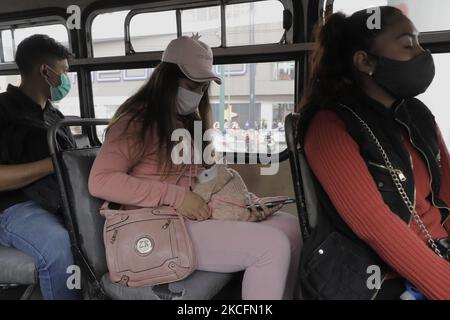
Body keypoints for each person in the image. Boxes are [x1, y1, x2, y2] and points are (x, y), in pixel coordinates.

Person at [88, 35, 301, 300]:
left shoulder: (188, 122)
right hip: (156, 227)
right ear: (166, 80)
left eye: (202, 88)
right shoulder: (135, 122)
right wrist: (175, 196)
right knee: (272, 246)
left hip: (191, 218)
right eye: (192, 85)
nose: (198, 94)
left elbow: (204, 176)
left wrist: (244, 203)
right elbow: (101, 181)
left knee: (290, 227)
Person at [299, 7, 450, 299]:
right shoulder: (330, 124)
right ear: (364, 61)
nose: (421, 53)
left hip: (438, 248)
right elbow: (374, 226)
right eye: (408, 45)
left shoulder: (417, 114)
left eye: (419, 43)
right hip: (380, 274)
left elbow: (447, 188)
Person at [0, 35, 80, 299]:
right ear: (45, 71)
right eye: (65, 72)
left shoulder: (53, 116)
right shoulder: (3, 110)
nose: (67, 80)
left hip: (59, 200)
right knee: (58, 247)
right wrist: (53, 164)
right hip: (13, 207)